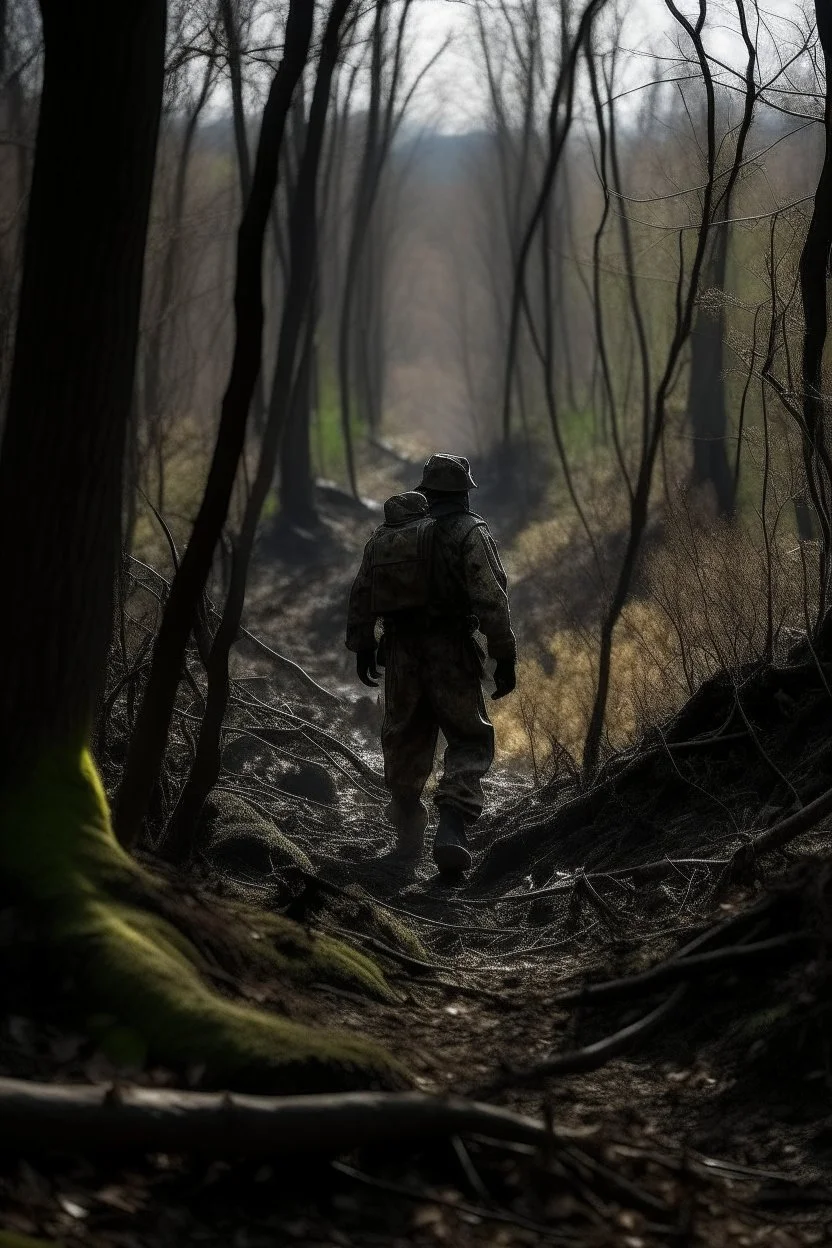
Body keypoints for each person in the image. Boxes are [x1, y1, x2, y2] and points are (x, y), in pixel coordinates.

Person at [345, 453, 517, 874]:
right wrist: (503, 654)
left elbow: (362, 592)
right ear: (463, 492)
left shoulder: (389, 535)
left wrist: (364, 646)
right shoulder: (468, 531)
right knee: (468, 737)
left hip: (400, 652)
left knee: (404, 737)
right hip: (450, 649)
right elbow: (491, 597)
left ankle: (407, 834)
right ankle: (452, 829)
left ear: (426, 491)